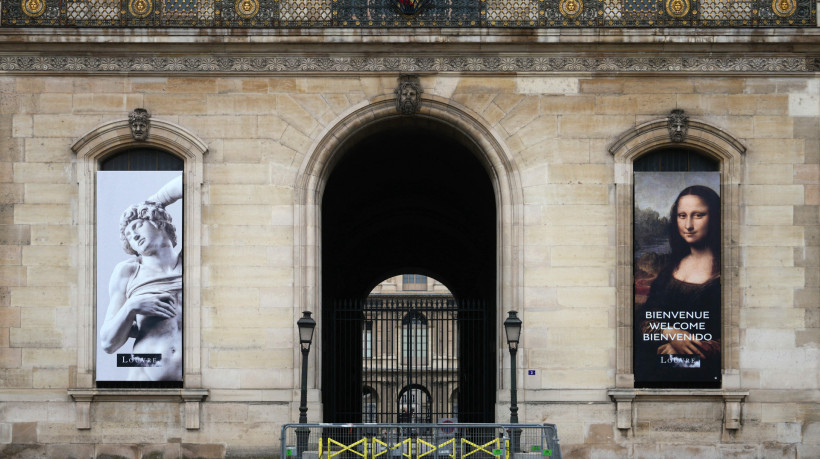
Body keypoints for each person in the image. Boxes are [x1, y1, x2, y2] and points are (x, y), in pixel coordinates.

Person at [99, 175, 183, 381]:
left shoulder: (194, 260)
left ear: (159, 223)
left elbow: (193, 181)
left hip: (197, 379)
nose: (133, 236)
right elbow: (108, 343)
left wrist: (155, 202)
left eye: (137, 226)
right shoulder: (128, 272)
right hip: (145, 376)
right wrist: (132, 306)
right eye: (128, 235)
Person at [636, 185, 721, 383]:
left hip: (704, 376)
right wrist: (669, 331)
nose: (688, 225)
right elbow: (644, 317)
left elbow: (732, 342)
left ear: (714, 217)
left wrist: (679, 351)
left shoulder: (723, 274)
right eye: (682, 216)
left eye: (698, 215)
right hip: (655, 372)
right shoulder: (669, 269)